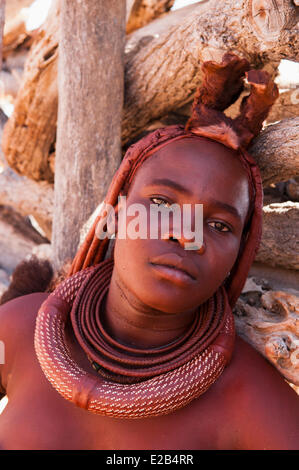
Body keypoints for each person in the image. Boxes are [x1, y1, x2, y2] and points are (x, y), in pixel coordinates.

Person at [0, 53, 298, 450]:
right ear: (118, 213)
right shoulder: (21, 329)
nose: (186, 236)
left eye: (219, 225)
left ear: (238, 255)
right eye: (161, 205)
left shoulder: (250, 396)